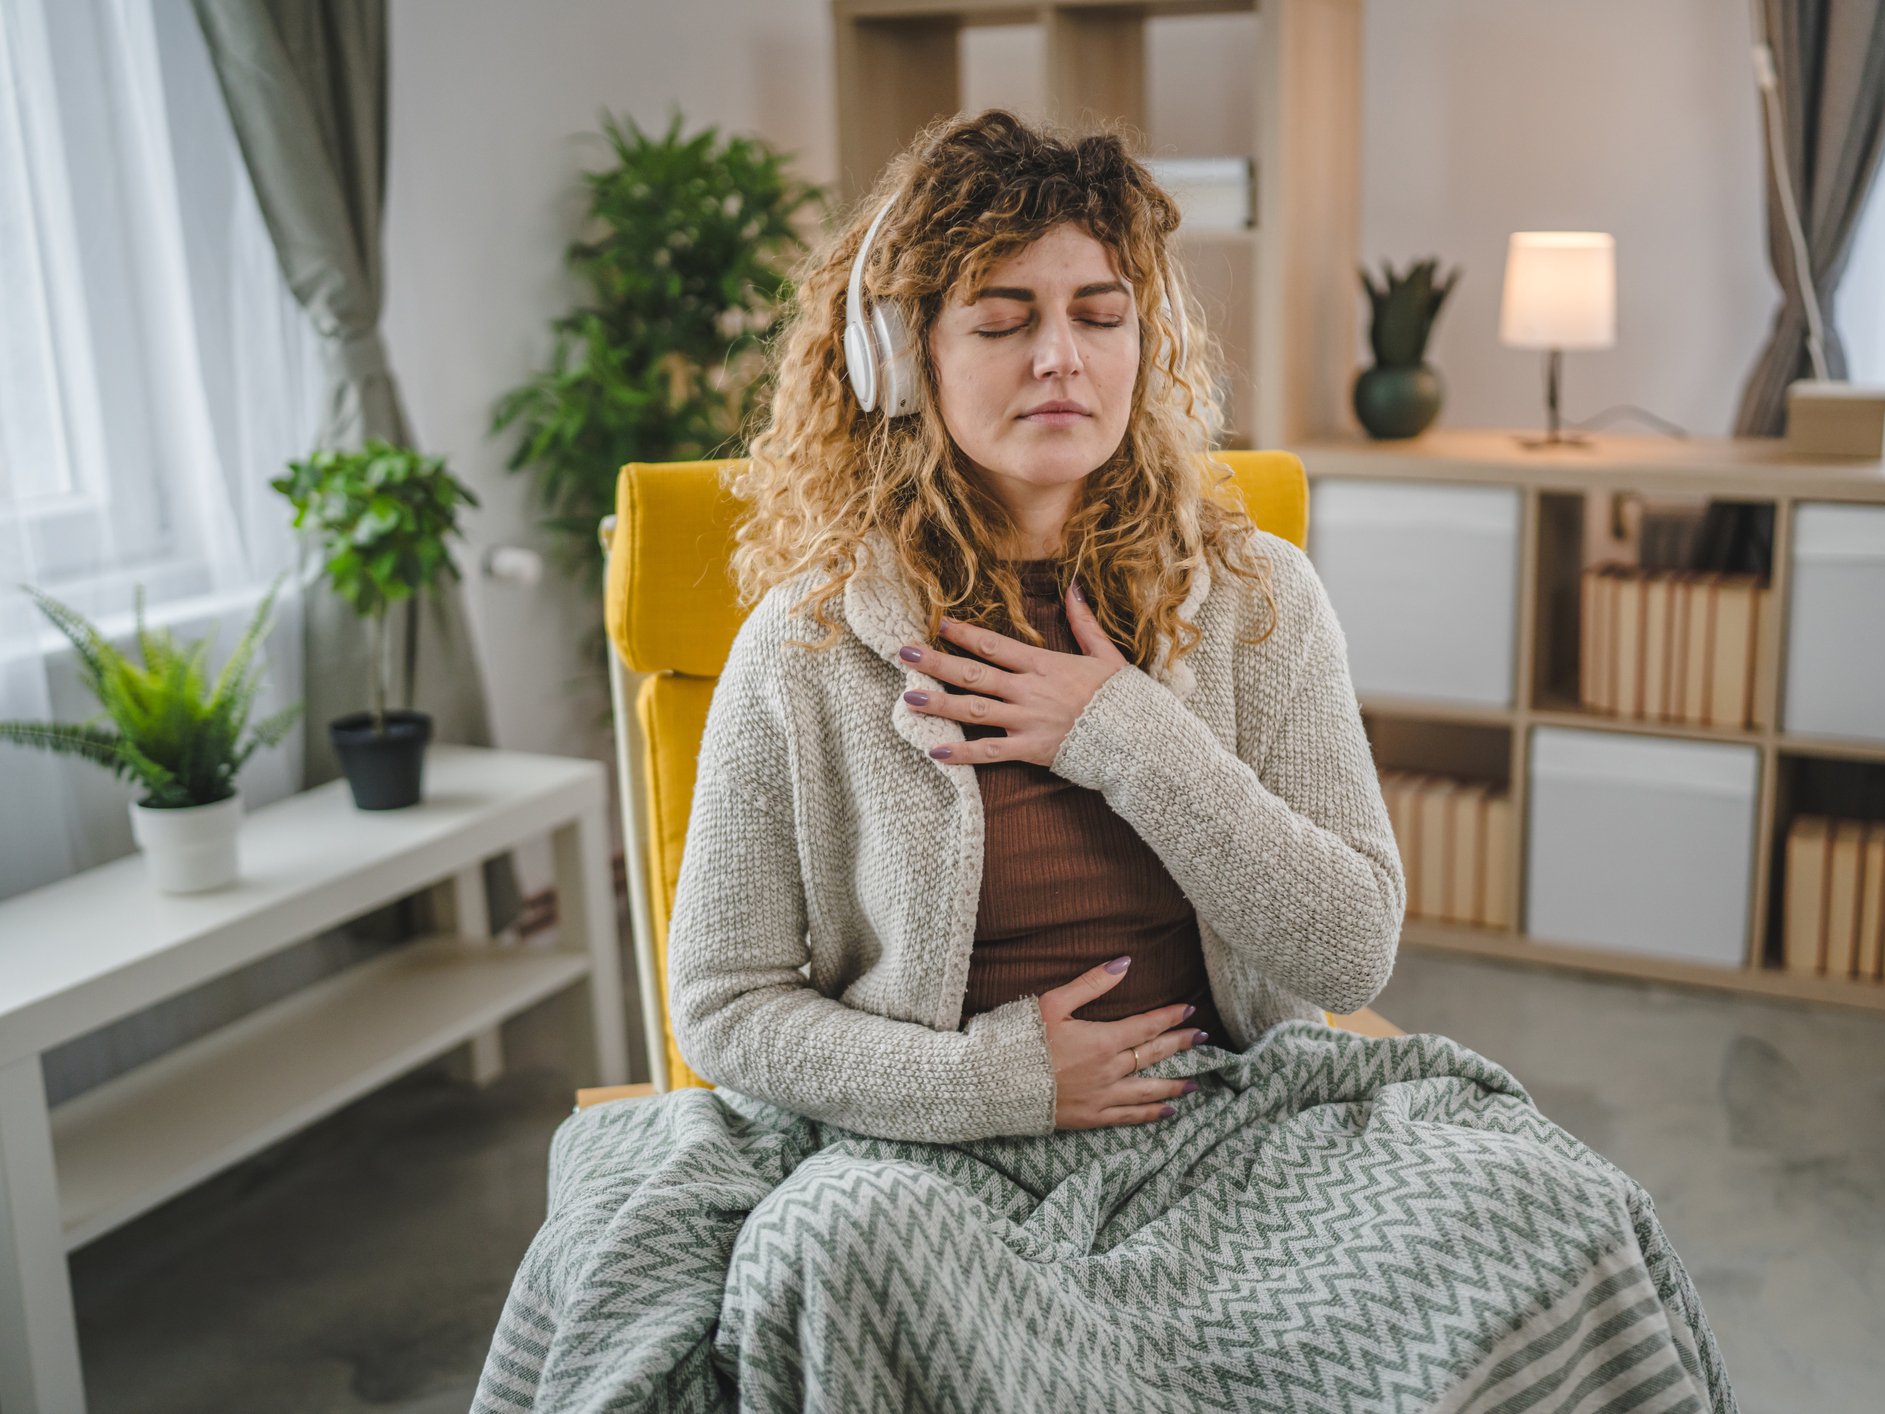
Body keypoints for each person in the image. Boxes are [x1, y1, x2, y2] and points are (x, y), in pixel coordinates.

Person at [475, 109, 1737, 1413]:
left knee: (1562, 1213)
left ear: (1148, 338)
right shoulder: (802, 649)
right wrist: (996, 1077)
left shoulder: (1257, 598)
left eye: (1098, 311)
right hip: (931, 1154)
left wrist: (1122, 734)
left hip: (1232, 1121)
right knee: (824, 1250)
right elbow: (726, 1007)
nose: (1060, 358)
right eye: (1002, 316)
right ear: (900, 355)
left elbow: (1347, 952)